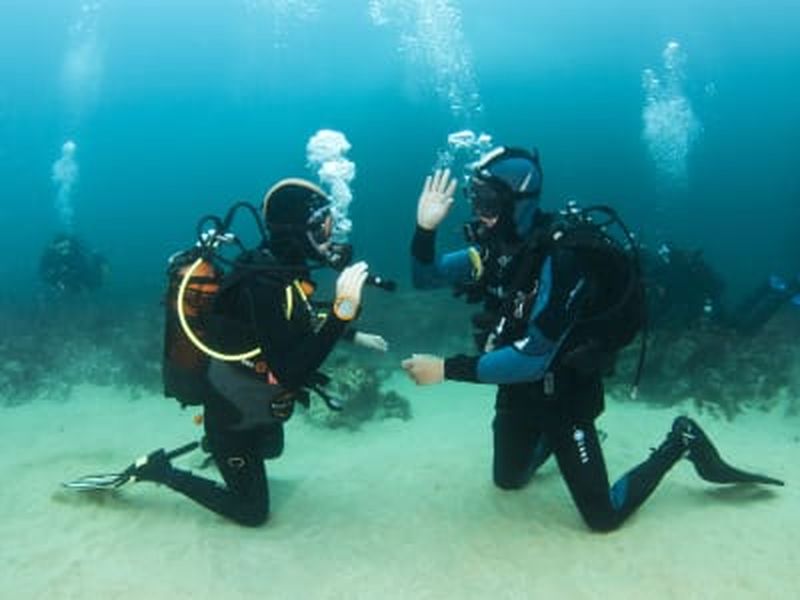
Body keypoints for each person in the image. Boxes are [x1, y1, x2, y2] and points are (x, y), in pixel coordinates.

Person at [402, 147, 783, 532]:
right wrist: (425, 229)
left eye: (486, 201)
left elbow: (533, 357)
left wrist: (447, 369)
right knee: (508, 481)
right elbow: (425, 277)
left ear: (517, 202)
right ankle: (556, 446)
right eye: (474, 199)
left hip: (565, 396)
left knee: (603, 518)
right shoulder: (491, 250)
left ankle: (679, 441)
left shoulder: (565, 259)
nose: (478, 213)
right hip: (517, 391)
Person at [132, 179, 385, 526]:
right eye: (323, 226)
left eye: (330, 225)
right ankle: (163, 472)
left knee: (271, 448)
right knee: (252, 512)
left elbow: (295, 321)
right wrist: (341, 317)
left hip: (251, 398)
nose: (331, 237)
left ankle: (217, 449)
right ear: (298, 230)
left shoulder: (283, 271)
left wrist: (351, 335)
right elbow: (290, 372)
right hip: (230, 413)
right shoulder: (261, 282)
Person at [39, 233, 107, 294]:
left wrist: (103, 269)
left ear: (69, 244)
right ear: (55, 247)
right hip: (63, 280)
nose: (65, 251)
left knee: (95, 283)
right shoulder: (50, 255)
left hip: (82, 273)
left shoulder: (78, 248)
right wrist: (55, 284)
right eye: (61, 248)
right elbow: (43, 273)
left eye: (66, 247)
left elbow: (95, 255)